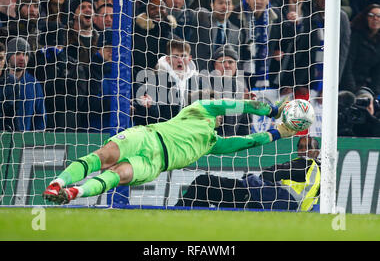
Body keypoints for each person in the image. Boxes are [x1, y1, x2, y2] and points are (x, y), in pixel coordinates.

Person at [42, 96, 296, 204]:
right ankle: (57, 182)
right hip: (146, 137)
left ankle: (74, 192)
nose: (223, 116)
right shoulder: (199, 108)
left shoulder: (212, 143)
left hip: (155, 164)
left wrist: (276, 133)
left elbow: (245, 142)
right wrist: (271, 111)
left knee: (118, 175)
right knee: (103, 157)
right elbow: (240, 104)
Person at [175, 136, 321, 212]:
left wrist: (254, 179)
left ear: (317, 152)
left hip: (255, 198)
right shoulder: (321, 176)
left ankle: (177, 214)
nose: (303, 151)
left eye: (308, 147)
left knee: (203, 182)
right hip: (278, 208)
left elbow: (271, 173)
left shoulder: (307, 163)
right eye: (300, 148)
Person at [6, 37, 45, 131]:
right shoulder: (2, 81)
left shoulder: (34, 84)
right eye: (17, 53)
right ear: (8, 56)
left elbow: (40, 118)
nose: (22, 58)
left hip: (24, 142)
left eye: (26, 54)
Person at [340, 4, 380, 95]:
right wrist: (352, 90)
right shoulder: (355, 36)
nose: (375, 19)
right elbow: (348, 66)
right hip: (349, 86)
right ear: (365, 18)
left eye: (378, 16)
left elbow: (377, 73)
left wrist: (375, 94)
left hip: (366, 86)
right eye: (371, 15)